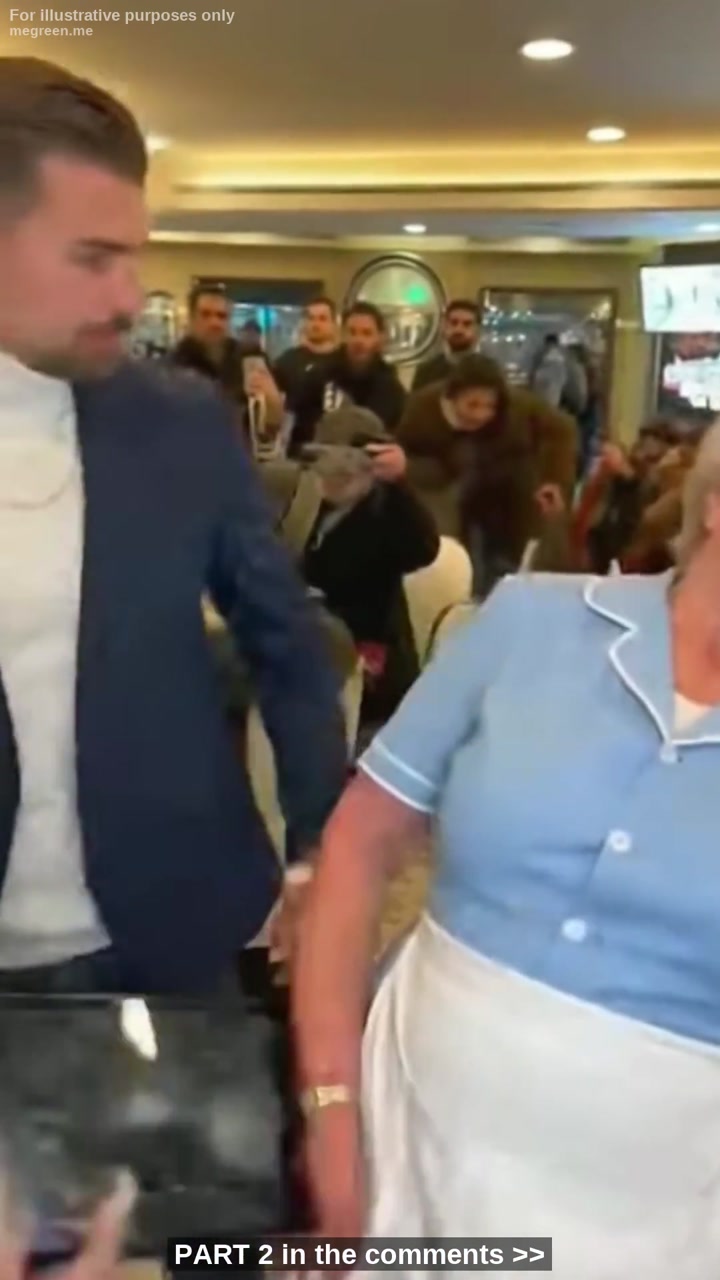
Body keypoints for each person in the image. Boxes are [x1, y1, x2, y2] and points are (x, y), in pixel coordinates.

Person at [294, 418, 720, 1278]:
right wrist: (330, 1110)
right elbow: (357, 848)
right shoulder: (535, 622)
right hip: (404, 1136)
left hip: (662, 1213)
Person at [0, 56, 348, 996]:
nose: (129, 297)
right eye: (92, 258)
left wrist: (321, 849)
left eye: (134, 255)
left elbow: (291, 645)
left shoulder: (180, 421)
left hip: (175, 932)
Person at [397, 354, 577, 594]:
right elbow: (405, 454)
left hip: (509, 489)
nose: (480, 415)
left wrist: (553, 479)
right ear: (451, 397)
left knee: (507, 561)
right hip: (448, 487)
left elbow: (562, 429)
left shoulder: (518, 406)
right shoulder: (422, 408)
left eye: (489, 407)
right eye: (472, 405)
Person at [302, 407, 439, 718]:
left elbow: (425, 549)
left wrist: (400, 484)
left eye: (349, 471)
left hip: (369, 666)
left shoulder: (388, 511)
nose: (336, 479)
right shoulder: (302, 503)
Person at [170, 286, 285, 447]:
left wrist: (273, 400)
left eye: (222, 316)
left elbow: (270, 430)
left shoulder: (248, 358)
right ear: (191, 318)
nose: (215, 323)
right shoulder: (172, 365)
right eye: (205, 315)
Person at [289, 302, 406, 454]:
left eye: (366, 333)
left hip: (373, 464)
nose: (358, 340)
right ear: (342, 335)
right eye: (352, 332)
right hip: (321, 461)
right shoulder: (318, 377)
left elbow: (397, 443)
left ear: (380, 338)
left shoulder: (391, 388)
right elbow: (298, 436)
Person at [274, 296, 338, 411]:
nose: (316, 324)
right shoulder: (288, 360)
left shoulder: (345, 361)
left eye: (322, 319)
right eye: (311, 318)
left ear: (333, 324)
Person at [411, 299, 479, 392]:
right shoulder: (426, 371)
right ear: (444, 326)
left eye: (467, 324)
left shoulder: (488, 371)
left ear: (477, 330)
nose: (459, 329)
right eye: (454, 323)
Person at [530, 332, 570, 409]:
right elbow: (564, 378)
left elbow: (534, 372)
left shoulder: (542, 353)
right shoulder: (562, 357)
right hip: (554, 391)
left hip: (543, 387)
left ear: (547, 343)